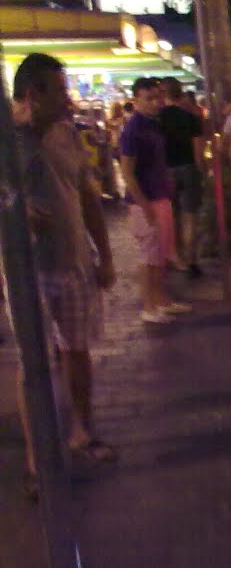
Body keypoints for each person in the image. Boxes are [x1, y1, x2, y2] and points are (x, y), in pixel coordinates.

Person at [10, 53, 118, 499]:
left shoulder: (66, 135)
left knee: (77, 351)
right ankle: (38, 461)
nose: (69, 99)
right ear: (33, 94)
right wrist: (14, 214)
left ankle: (82, 432)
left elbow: (89, 198)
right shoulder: (7, 140)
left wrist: (104, 255)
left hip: (72, 262)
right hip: (24, 271)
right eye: (60, 89)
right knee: (31, 363)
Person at [119, 76, 193, 324]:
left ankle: (162, 300)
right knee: (149, 256)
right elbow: (127, 171)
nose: (155, 103)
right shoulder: (133, 130)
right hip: (146, 201)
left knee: (161, 252)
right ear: (135, 100)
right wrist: (143, 204)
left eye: (157, 97)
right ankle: (149, 307)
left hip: (160, 196)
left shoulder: (153, 124)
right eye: (148, 98)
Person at [159, 77, 206, 278]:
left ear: (164, 94)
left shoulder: (157, 119)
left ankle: (175, 257)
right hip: (188, 168)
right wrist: (201, 169)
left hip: (165, 170)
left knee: (172, 217)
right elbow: (198, 150)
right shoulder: (191, 117)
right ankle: (192, 260)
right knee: (191, 217)